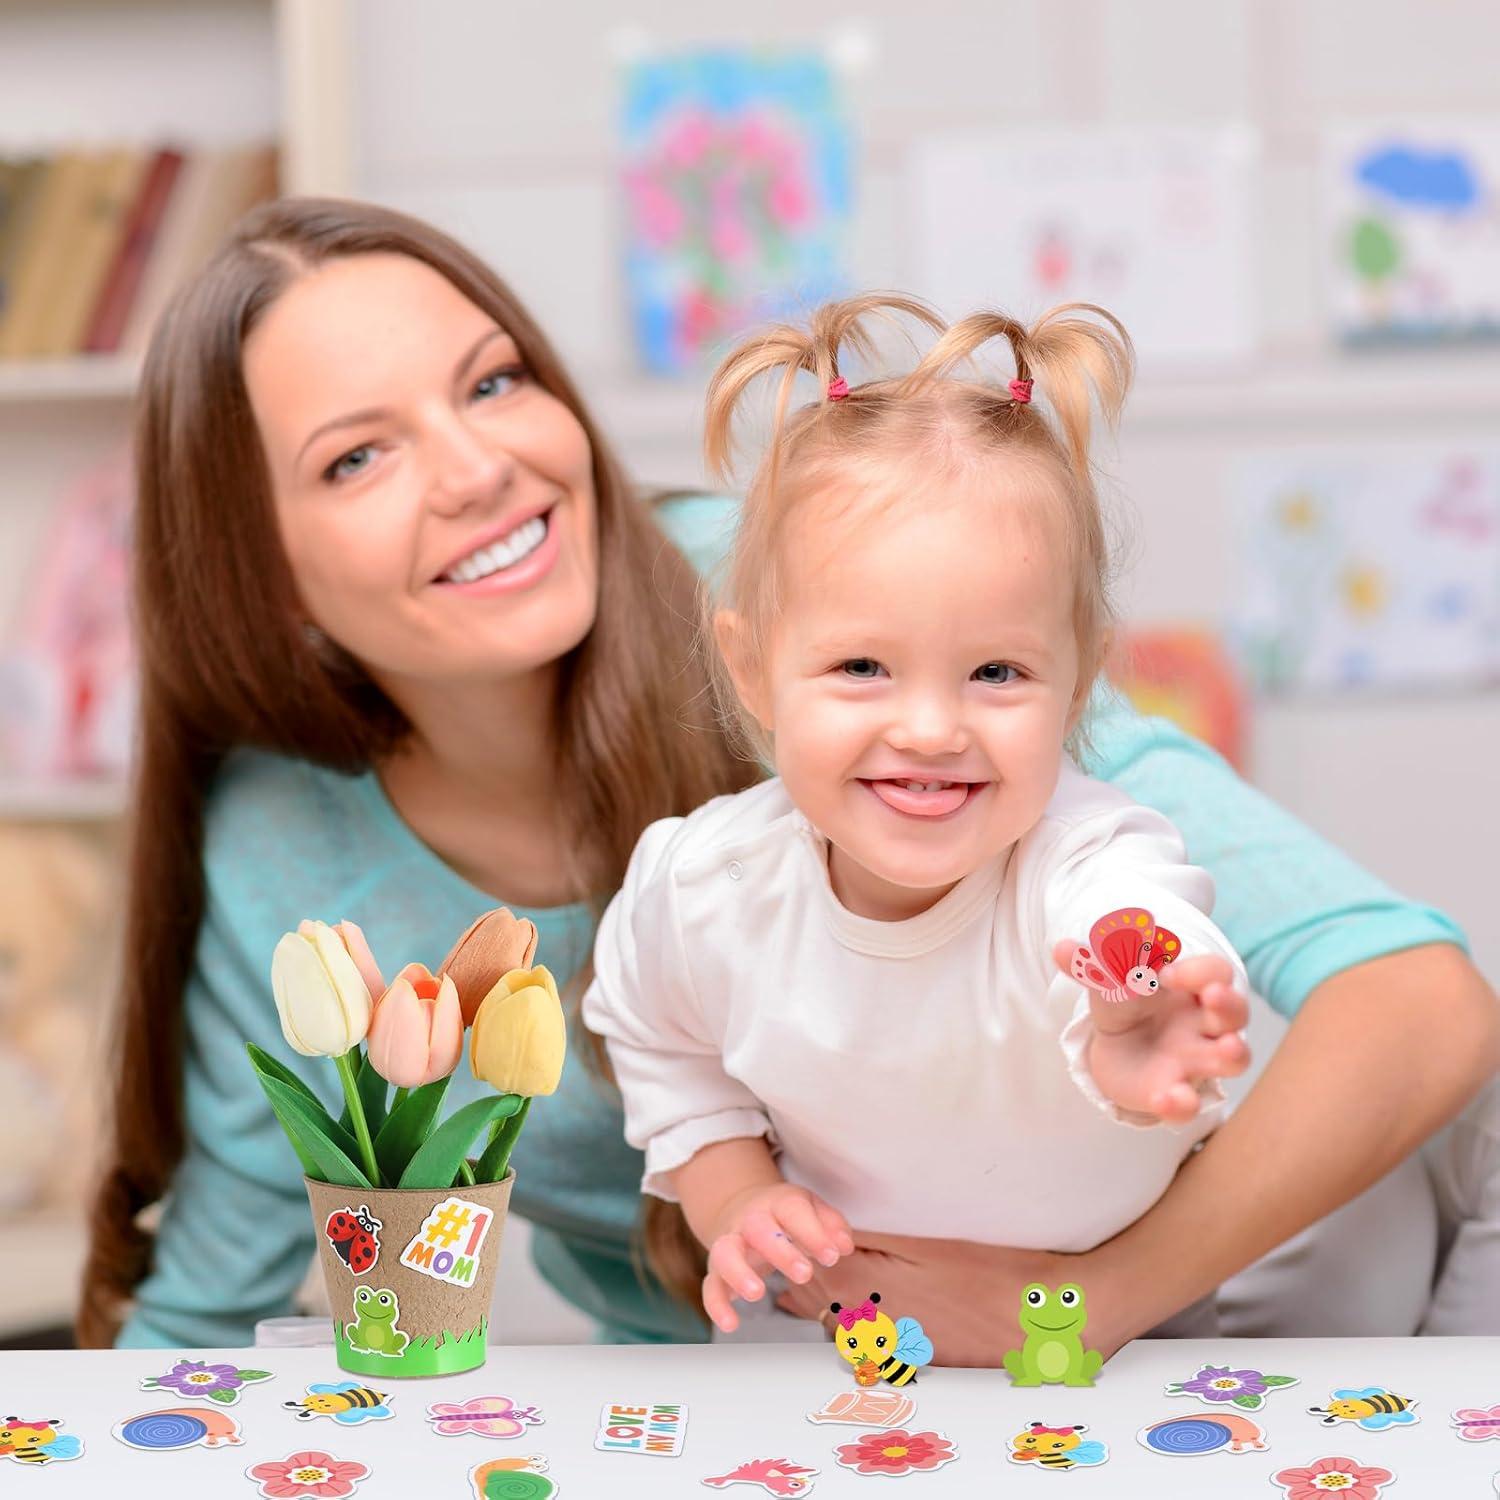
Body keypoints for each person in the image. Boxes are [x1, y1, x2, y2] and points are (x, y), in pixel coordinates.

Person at [76, 198, 1498, 1356]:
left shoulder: (859, 607)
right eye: (359, 456)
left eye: (495, 381)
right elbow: (217, 1293)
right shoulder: (286, 842)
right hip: (792, 1390)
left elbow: (1411, 998)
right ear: (260, 577)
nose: (479, 468)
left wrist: (1079, 1300)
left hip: (1160, 1317)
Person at [584, 294, 1264, 1334]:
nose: (934, 727)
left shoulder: (1083, 859)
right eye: (863, 666)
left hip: (1116, 1335)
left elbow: (1134, 922)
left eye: (998, 671)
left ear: (1077, 688)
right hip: (849, 1329)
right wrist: (733, 1198)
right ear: (754, 669)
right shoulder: (702, 887)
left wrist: (1142, 1010)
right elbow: (654, 1032)